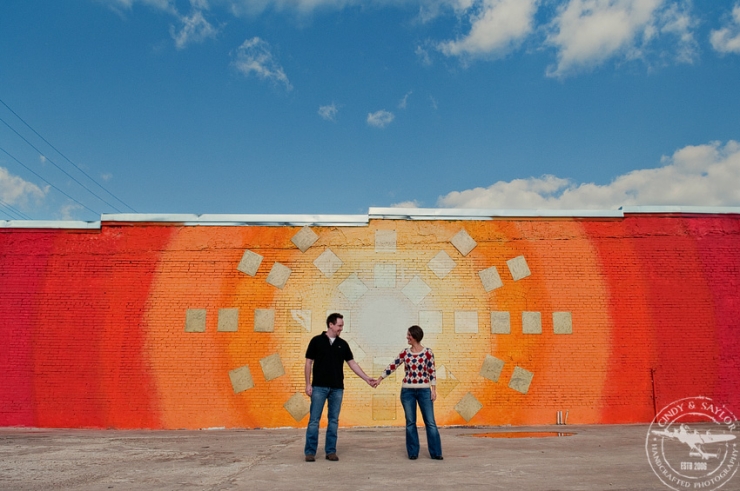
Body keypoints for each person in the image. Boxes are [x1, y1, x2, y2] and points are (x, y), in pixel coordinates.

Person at [304, 313, 375, 462]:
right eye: (339, 326)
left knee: (334, 420)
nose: (341, 328)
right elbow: (308, 362)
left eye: (341, 326)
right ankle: (310, 452)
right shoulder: (316, 341)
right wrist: (308, 384)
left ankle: (331, 451)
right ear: (331, 324)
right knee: (314, 421)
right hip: (319, 387)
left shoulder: (343, 344)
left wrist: (366, 378)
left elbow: (352, 363)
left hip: (337, 388)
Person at [374, 325, 443, 460]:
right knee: (411, 422)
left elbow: (432, 371)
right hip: (407, 391)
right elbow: (392, 365)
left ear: (415, 336)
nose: (407, 337)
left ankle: (436, 453)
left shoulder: (428, 352)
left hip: (424, 391)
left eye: (409, 335)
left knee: (430, 422)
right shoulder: (405, 353)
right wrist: (380, 379)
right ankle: (413, 452)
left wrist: (433, 390)